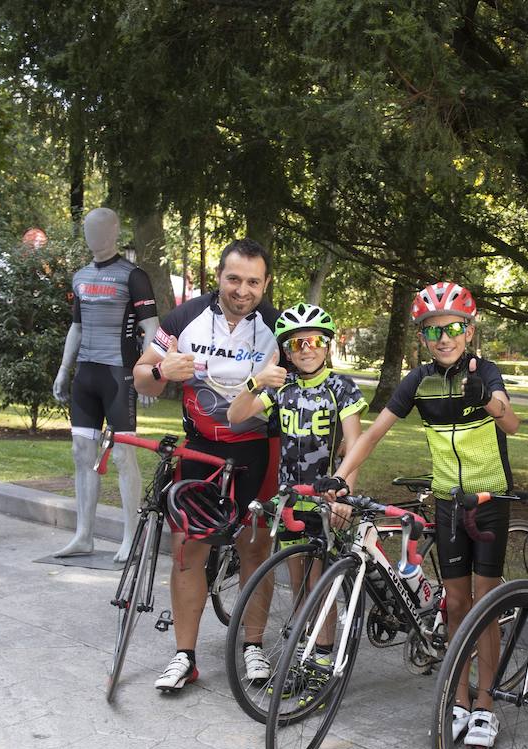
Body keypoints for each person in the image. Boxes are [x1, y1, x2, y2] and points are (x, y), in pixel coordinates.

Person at [332, 282, 520, 749]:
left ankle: (486, 702)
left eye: (453, 328)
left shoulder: (484, 371)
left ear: (469, 331)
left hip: (490, 500)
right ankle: (459, 698)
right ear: (422, 337)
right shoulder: (418, 381)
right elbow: (372, 435)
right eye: (433, 331)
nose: (444, 338)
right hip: (449, 501)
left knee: (485, 603)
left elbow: (512, 422)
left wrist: (486, 398)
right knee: (456, 602)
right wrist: (341, 475)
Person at [133, 239, 283, 692]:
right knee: (188, 549)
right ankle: (185, 655)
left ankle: (252, 645)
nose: (242, 290)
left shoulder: (278, 327)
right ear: (218, 276)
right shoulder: (183, 318)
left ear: (265, 284)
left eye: (253, 282)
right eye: (233, 278)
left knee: (255, 549)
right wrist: (162, 372)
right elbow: (141, 376)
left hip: (259, 449)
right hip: (201, 451)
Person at [226, 302, 365, 699]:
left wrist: (344, 493)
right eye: (296, 344)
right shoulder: (281, 389)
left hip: (326, 501)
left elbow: (355, 445)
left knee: (320, 584)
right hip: (289, 502)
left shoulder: (341, 387)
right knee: (299, 584)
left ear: (327, 345)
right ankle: (305, 657)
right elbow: (236, 415)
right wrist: (257, 381)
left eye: (314, 341)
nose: (306, 349)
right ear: (286, 351)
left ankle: (322, 660)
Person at [52, 208, 158, 563]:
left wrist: (147, 372)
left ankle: (130, 538)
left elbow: (151, 328)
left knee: (124, 455)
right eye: (87, 229)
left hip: (119, 375)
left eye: (99, 228)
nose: (92, 235)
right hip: (86, 374)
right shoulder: (81, 277)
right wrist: (64, 369)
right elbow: (77, 327)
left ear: (114, 232)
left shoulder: (133, 276)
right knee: (81, 453)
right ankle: (83, 535)